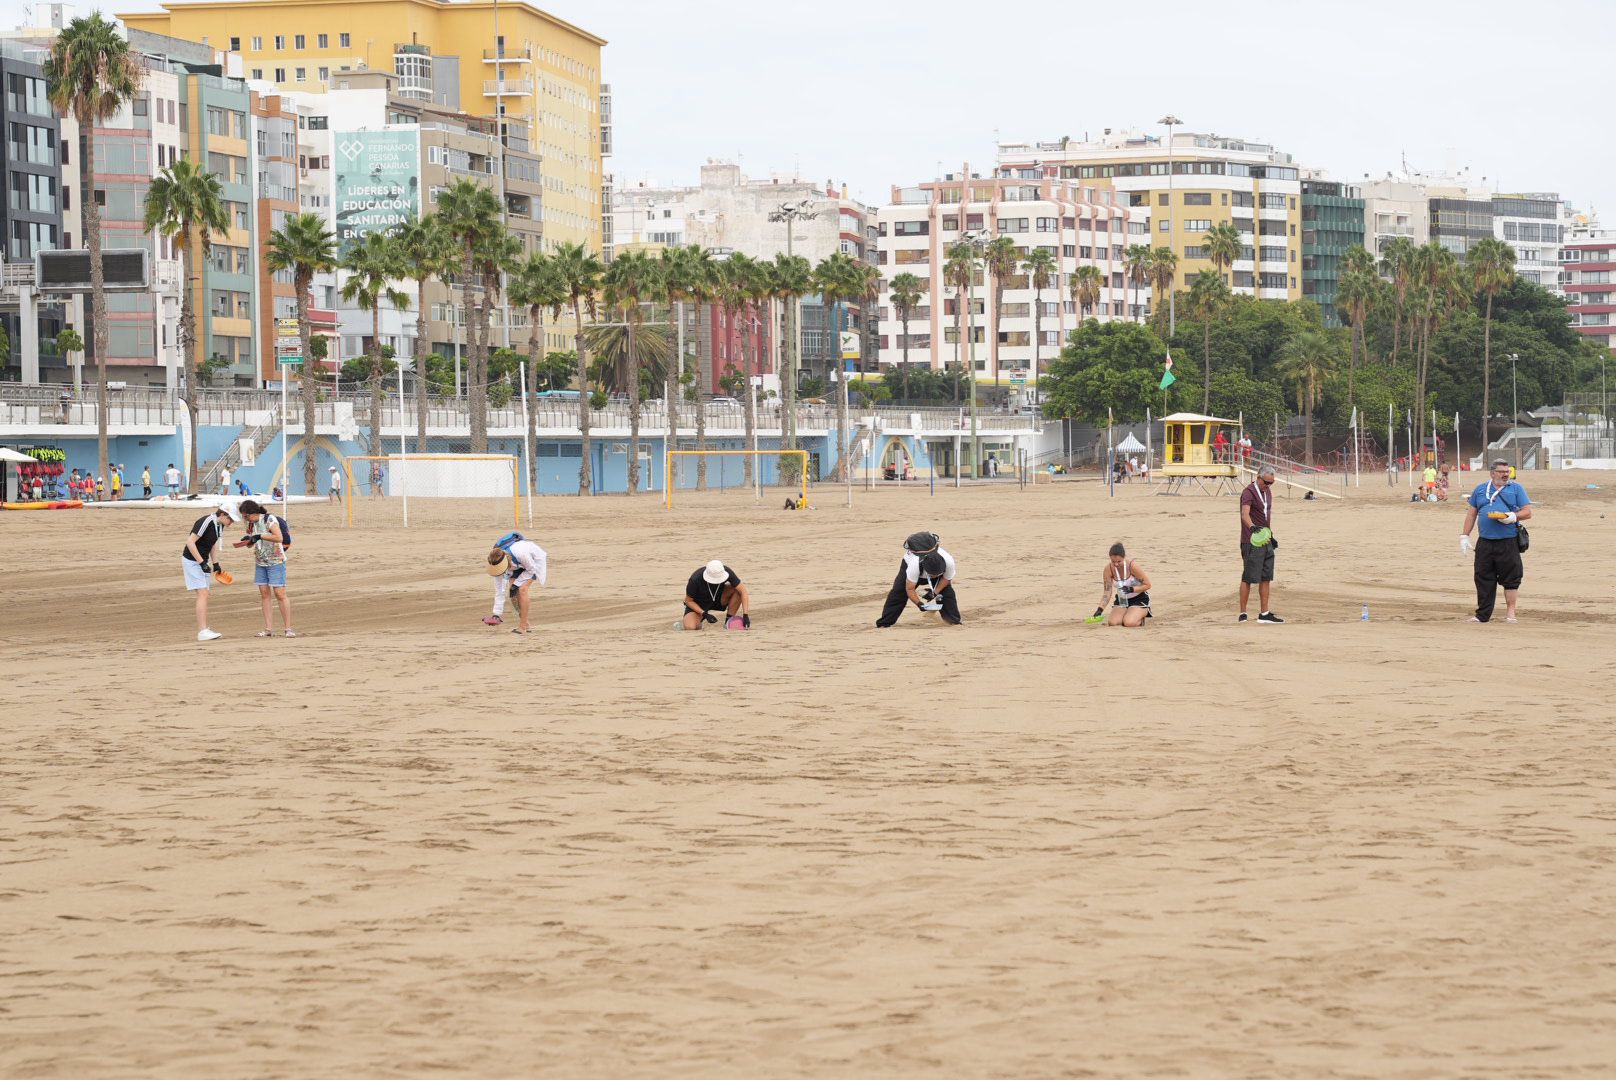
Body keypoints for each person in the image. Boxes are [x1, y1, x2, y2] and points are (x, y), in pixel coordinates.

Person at [1461, 459, 1532, 624]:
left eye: (1508, 472)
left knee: (1511, 578)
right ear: (1492, 473)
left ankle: (1510, 614)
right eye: (1502, 472)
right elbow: (1472, 514)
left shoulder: (1516, 489)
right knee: (1483, 577)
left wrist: (1512, 516)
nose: (1506, 475)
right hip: (1485, 542)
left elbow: (1528, 512)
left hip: (1508, 541)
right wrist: (1464, 536)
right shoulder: (1480, 489)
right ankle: (1482, 615)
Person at [231, 498, 294, 637]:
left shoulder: (269, 519)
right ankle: (268, 629)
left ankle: (288, 629)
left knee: (280, 594)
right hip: (260, 562)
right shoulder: (251, 525)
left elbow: (279, 538)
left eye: (245, 516)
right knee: (265, 595)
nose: (245, 519)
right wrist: (248, 541)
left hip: (276, 561)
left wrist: (260, 536)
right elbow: (252, 543)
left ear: (252, 512)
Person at [876, 531, 962, 627]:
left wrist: (935, 592)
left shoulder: (948, 561)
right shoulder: (914, 564)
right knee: (898, 593)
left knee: (946, 593)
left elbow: (946, 579)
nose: (934, 577)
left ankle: (953, 622)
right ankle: (884, 623)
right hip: (913, 570)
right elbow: (910, 588)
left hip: (935, 574)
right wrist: (919, 604)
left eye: (937, 574)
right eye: (931, 574)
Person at [182, 503, 241, 642]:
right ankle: (202, 631)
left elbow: (212, 544)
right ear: (222, 514)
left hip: (201, 561)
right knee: (203, 594)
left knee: (205, 594)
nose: (231, 522)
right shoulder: (206, 521)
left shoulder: (219, 525)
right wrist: (201, 562)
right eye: (230, 519)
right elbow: (190, 542)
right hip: (191, 561)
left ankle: (204, 630)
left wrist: (215, 563)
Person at [1238, 464, 1284, 624]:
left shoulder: (1267, 491)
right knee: (1248, 577)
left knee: (1266, 576)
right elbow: (1245, 514)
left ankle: (1264, 613)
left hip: (1265, 540)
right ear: (1258, 478)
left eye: (1271, 483)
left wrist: (1270, 536)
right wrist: (1252, 528)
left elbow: (1265, 515)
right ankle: (1243, 613)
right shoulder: (1248, 492)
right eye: (1266, 482)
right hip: (1251, 541)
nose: (1268, 486)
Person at [483, 531, 547, 634]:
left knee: (522, 590)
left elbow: (531, 569)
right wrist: (496, 614)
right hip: (516, 565)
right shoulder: (495, 563)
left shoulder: (520, 553)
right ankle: (526, 623)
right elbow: (499, 590)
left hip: (534, 562)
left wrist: (517, 584)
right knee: (512, 594)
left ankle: (522, 627)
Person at [1092, 542, 1153, 627]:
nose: (1116, 564)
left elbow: (1148, 585)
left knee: (1129, 623)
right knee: (1113, 623)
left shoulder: (1132, 566)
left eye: (1119, 561)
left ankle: (1140, 616)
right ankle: (1128, 613)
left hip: (1138, 598)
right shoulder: (1108, 569)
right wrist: (1100, 609)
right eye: (1113, 561)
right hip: (1122, 599)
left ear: (1124, 557)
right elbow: (1107, 592)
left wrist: (1131, 589)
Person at [682, 559, 751, 630]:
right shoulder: (695, 579)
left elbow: (743, 591)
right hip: (699, 604)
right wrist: (704, 614)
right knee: (690, 627)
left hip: (719, 598)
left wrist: (745, 614)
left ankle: (728, 621)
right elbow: (688, 601)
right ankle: (698, 619)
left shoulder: (726, 571)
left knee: (737, 590)